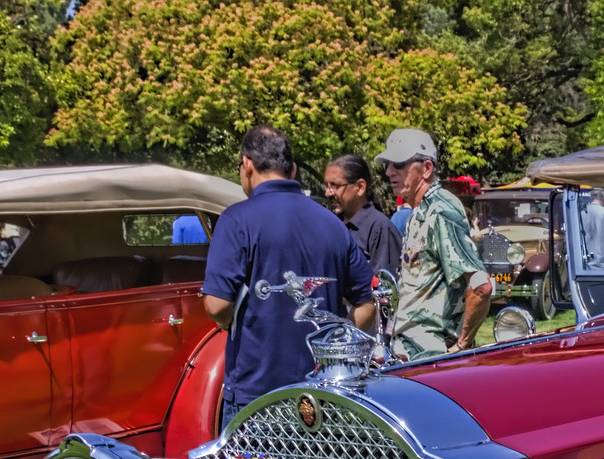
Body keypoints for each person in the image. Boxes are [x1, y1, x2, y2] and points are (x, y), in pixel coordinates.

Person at [202, 125, 374, 427]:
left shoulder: (236, 220)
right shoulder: (333, 224)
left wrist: (225, 319)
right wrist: (335, 341)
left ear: (247, 165)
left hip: (256, 396)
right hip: (322, 395)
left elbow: (217, 305)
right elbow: (367, 303)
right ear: (292, 169)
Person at [375, 128, 491, 357]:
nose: (389, 171)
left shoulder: (441, 210)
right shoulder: (420, 211)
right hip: (412, 352)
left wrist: (461, 345)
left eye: (398, 164)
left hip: (431, 357)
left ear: (427, 168)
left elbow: (480, 285)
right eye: (387, 164)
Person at [322, 152, 401, 278]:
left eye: (335, 186)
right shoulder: (332, 225)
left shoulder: (379, 228)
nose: (328, 193)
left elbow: (385, 289)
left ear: (360, 187)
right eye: (326, 186)